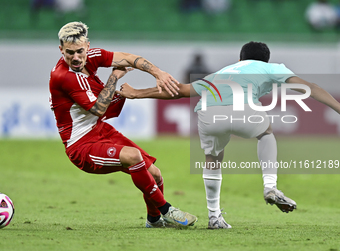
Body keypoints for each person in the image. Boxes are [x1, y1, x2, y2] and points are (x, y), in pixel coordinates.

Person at [117, 41, 340, 229]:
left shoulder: (223, 71)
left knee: (213, 159)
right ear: (266, 60)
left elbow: (181, 91)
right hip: (243, 109)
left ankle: (214, 217)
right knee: (266, 133)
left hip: (208, 114)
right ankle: (270, 186)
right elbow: (309, 87)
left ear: (240, 58)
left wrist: (137, 93)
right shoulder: (270, 68)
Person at [49, 21, 197, 228]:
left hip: (100, 130)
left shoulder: (91, 57)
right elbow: (99, 108)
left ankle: (153, 220)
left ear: (87, 47)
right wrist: (114, 78)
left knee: (155, 174)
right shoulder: (63, 76)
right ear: (61, 50)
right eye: (69, 52)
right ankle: (167, 210)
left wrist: (159, 73)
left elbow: (129, 58)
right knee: (133, 156)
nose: (75, 57)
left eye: (80, 51)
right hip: (81, 145)